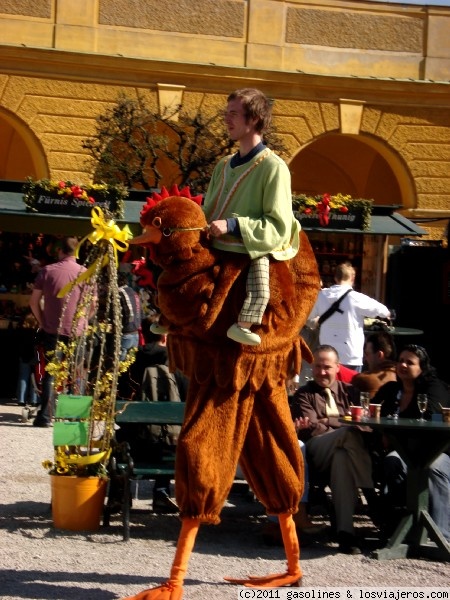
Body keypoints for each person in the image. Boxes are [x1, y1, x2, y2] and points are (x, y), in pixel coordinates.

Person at [203, 87, 300, 346]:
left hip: (250, 253)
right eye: (227, 113)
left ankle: (246, 323)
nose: (227, 119)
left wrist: (233, 225)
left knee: (260, 288)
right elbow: (206, 211)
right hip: (214, 250)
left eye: (234, 114)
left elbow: (278, 227)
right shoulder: (223, 165)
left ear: (254, 119)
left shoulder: (274, 167)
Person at [290, 344, 374, 554]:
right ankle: (371, 495)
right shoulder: (304, 393)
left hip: (343, 450)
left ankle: (345, 533)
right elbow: (311, 427)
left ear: (338, 368)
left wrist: (327, 420)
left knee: (342, 457)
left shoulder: (352, 392)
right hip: (317, 449)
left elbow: (365, 424)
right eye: (317, 367)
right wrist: (343, 422)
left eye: (327, 367)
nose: (321, 372)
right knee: (348, 434)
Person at [372, 344, 450, 542]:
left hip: (434, 450)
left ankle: (442, 535)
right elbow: (371, 412)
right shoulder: (391, 389)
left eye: (410, 362)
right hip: (401, 451)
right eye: (401, 361)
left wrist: (390, 429)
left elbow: (430, 418)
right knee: (392, 462)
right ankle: (400, 527)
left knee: (432, 467)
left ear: (421, 368)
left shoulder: (434, 388)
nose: (403, 365)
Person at [29, 236, 92, 427]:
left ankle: (46, 417)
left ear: (59, 251)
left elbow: (33, 302)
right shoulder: (85, 273)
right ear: (76, 253)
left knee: (51, 374)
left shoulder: (47, 271)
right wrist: (83, 322)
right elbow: (92, 305)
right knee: (77, 374)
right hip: (77, 332)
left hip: (52, 330)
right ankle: (74, 418)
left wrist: (42, 321)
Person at [307, 262, 390, 371]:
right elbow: (383, 311)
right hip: (350, 355)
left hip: (327, 355)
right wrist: (388, 314)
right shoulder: (356, 298)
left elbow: (308, 316)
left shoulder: (321, 296)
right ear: (352, 278)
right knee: (350, 387)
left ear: (336, 278)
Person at [352, 330, 397, 398]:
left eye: (367, 354)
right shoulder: (402, 377)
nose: (365, 359)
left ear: (379, 355)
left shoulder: (364, 379)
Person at [15, 311, 39, 408]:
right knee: (35, 378)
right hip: (34, 356)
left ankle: (21, 399)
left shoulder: (21, 331)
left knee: (23, 377)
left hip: (24, 355)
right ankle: (34, 399)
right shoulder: (37, 332)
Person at [118, 271, 142, 362]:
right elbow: (141, 314)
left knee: (120, 366)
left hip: (126, 334)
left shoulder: (119, 293)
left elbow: (118, 315)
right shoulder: (134, 292)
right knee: (130, 364)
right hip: (136, 334)